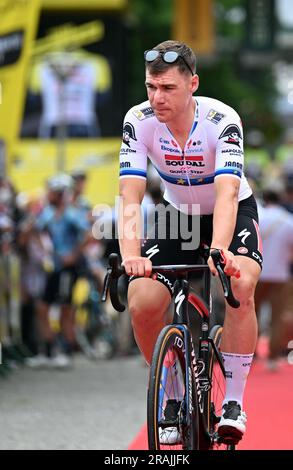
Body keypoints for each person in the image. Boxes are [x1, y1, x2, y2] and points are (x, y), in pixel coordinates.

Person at [118, 40, 263, 443]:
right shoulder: (138, 119)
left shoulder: (222, 120)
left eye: (167, 88)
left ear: (193, 84)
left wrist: (219, 250)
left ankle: (233, 400)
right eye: (151, 87)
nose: (156, 97)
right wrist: (131, 255)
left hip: (227, 213)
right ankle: (173, 393)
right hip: (176, 214)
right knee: (142, 301)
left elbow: (227, 195)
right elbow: (130, 195)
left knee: (241, 285)